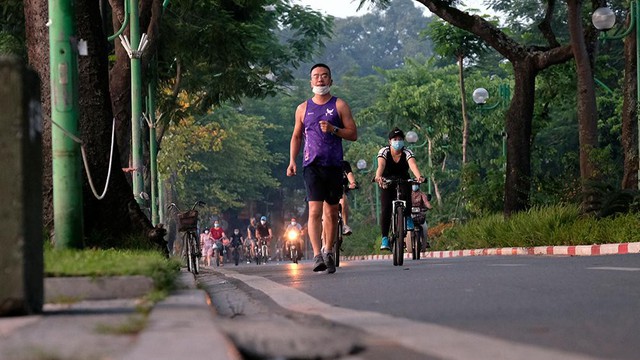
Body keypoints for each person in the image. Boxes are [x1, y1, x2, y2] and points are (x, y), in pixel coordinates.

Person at [287, 63, 357, 274]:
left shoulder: (340, 106)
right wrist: (292, 161)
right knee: (315, 210)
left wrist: (334, 129)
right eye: (316, 76)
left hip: (334, 165)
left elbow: (353, 134)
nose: (320, 80)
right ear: (310, 82)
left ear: (331, 81)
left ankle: (328, 250)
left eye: (324, 76)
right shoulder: (302, 108)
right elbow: (297, 136)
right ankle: (317, 255)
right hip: (312, 165)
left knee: (332, 210)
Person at [374, 127, 424, 251]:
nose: (398, 141)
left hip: (403, 178)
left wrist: (419, 176)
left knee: (406, 192)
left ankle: (407, 217)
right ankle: (385, 238)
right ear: (390, 141)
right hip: (387, 179)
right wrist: (378, 176)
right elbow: (381, 165)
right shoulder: (384, 151)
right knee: (385, 207)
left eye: (400, 139)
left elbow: (412, 165)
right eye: (395, 139)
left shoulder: (407, 152)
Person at [410, 183, 432, 251]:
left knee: (425, 227)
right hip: (410, 215)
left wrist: (429, 207)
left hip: (420, 215)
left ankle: (425, 242)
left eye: (416, 184)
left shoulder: (422, 194)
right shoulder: (408, 194)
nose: (414, 186)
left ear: (418, 186)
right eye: (413, 184)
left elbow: (426, 202)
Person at [341, 160, 357, 236]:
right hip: (328, 190)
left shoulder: (344, 164)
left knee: (343, 199)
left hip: (341, 190)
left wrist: (353, 183)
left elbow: (349, 174)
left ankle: (345, 225)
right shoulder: (324, 163)